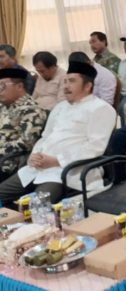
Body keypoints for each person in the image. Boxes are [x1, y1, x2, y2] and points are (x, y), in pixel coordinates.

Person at [0, 62, 116, 205]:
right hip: (37, 167)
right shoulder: (60, 107)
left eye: (72, 81)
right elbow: (45, 137)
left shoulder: (101, 109)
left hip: (68, 171)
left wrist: (57, 161)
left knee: (36, 207)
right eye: (65, 81)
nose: (66, 86)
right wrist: (34, 156)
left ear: (87, 86)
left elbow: (95, 148)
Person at [0, 68, 47, 180]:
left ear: (19, 86)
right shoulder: (4, 106)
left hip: (8, 162)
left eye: (2, 86)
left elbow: (26, 143)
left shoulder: (31, 110)